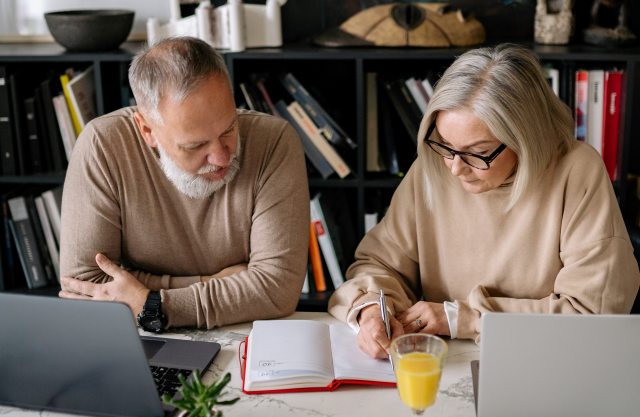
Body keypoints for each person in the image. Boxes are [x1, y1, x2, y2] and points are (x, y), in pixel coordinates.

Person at [329, 43, 640, 359]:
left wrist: (463, 319)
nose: (455, 167)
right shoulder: (434, 166)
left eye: (478, 152)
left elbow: (594, 314)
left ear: (527, 138)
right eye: (446, 144)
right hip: (447, 361)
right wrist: (371, 309)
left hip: (548, 361)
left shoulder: (576, 171)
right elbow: (380, 263)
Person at [59, 37, 309, 330]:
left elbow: (277, 289)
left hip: (245, 334)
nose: (220, 158)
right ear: (147, 130)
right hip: (137, 336)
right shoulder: (103, 145)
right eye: (196, 145)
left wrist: (149, 302)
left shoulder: (274, 141)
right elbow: (83, 287)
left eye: (229, 129)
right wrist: (212, 283)